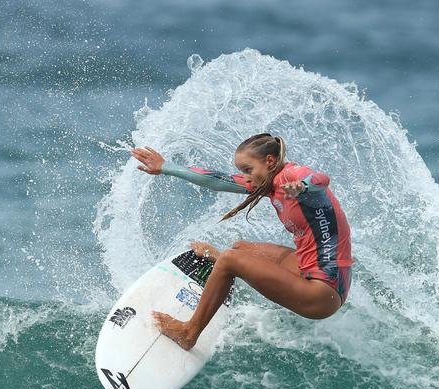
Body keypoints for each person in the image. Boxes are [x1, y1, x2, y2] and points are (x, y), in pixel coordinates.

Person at [130, 133, 353, 350]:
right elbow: (215, 180)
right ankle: (225, 272)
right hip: (318, 275)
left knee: (230, 259)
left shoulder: (291, 175)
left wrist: (301, 187)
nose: (245, 177)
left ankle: (189, 333)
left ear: (270, 161)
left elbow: (320, 179)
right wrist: (165, 167)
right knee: (240, 248)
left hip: (322, 293)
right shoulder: (269, 181)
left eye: (248, 170)